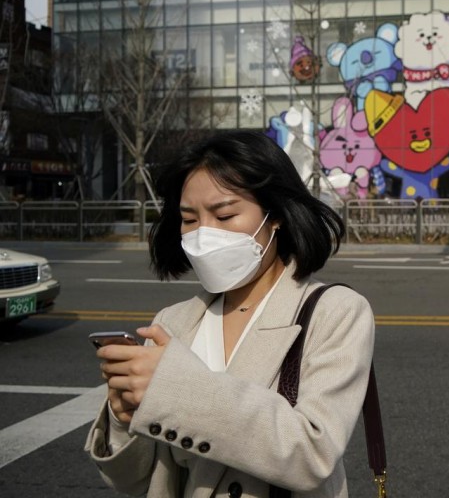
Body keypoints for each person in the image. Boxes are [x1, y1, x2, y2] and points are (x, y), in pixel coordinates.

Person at [85, 130, 375, 498]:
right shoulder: (170, 323)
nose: (205, 234)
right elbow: (138, 482)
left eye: (225, 214)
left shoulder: (335, 312)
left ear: (276, 217)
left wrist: (175, 390)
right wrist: (124, 419)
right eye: (189, 219)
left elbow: (312, 455)